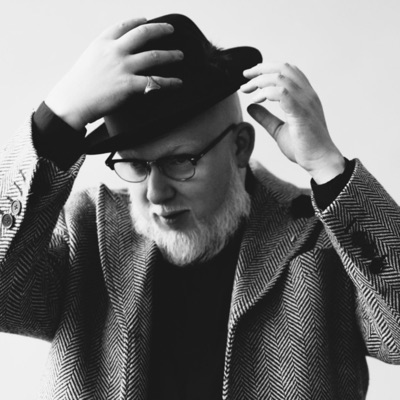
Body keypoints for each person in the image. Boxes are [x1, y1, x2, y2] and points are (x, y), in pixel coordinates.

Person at [0, 12, 399, 400]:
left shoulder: (324, 240)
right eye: (136, 165)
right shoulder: (86, 230)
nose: (156, 193)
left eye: (180, 161)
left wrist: (329, 168)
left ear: (240, 146)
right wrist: (56, 118)